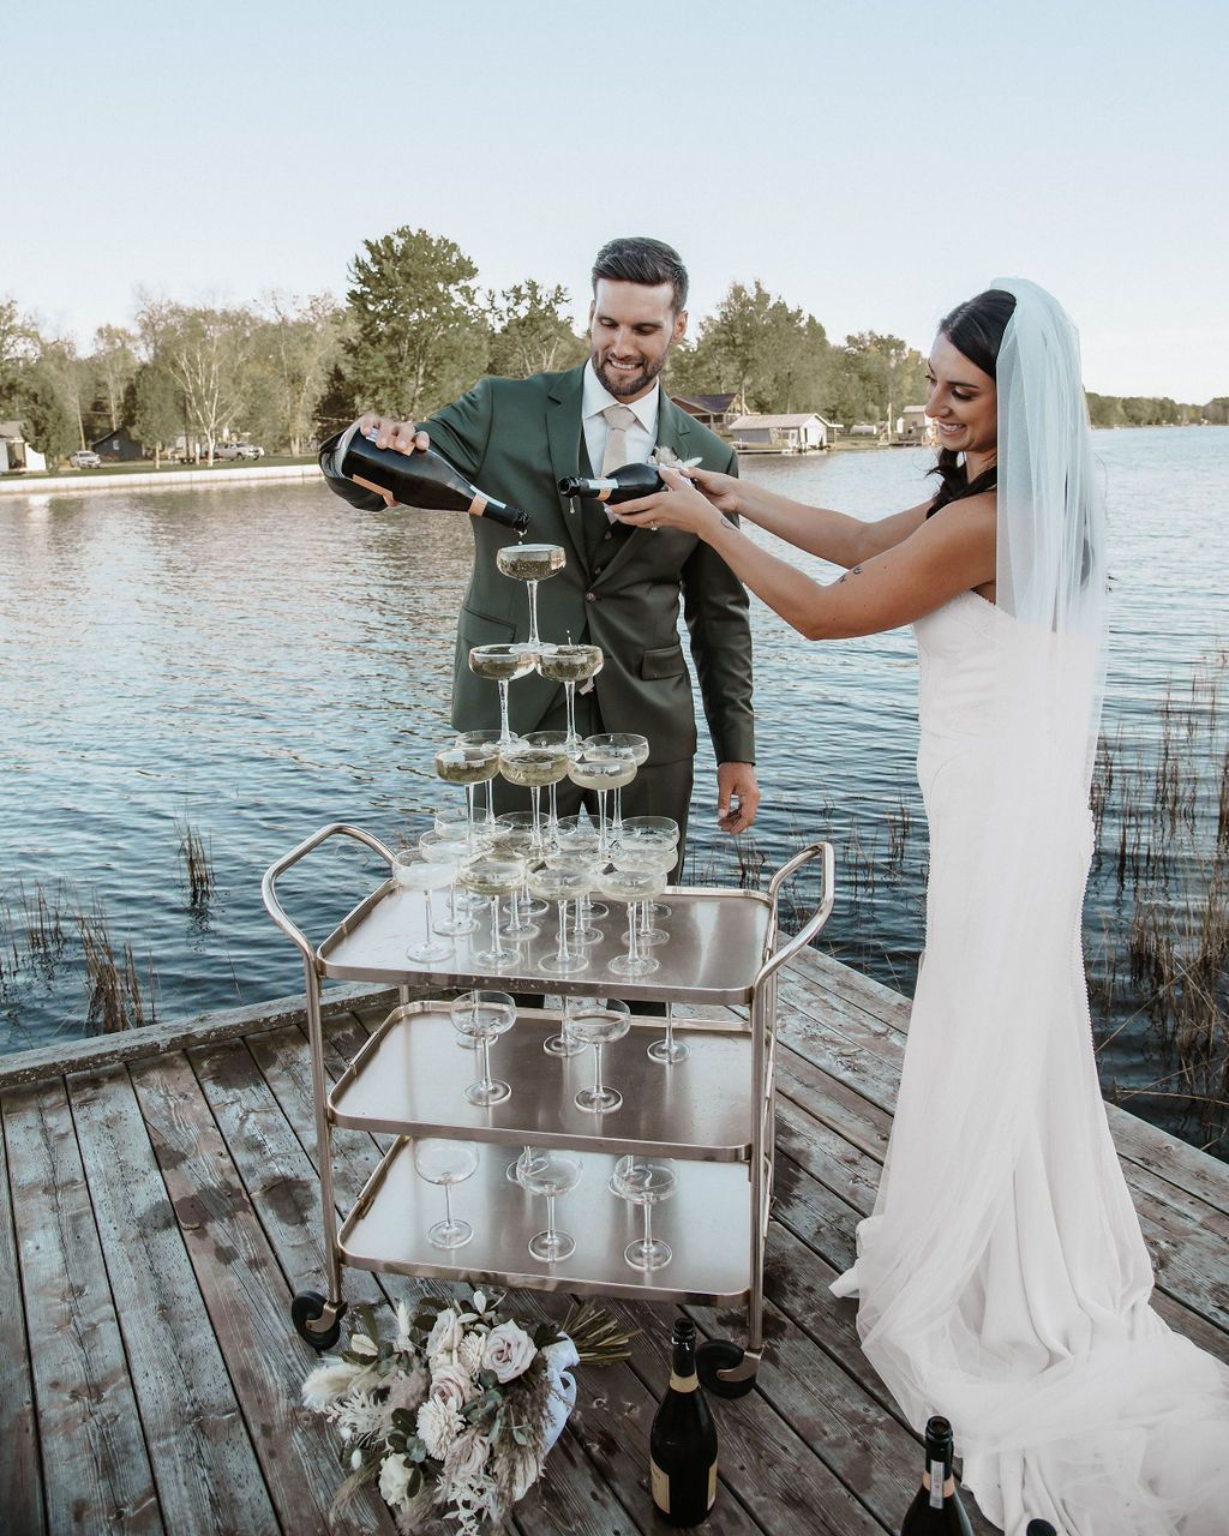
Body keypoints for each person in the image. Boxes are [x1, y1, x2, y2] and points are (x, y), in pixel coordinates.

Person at [614, 279, 1229, 1534]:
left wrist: (698, 526)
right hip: (997, 813)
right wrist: (735, 493)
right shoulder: (989, 492)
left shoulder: (996, 518)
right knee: (995, 1031)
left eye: (958, 390)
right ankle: (998, 1226)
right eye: (932, 380)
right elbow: (852, 545)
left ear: (1021, 401)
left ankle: (999, 1272)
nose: (932, 405)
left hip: (1005, 827)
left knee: (986, 1023)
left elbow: (830, 615)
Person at [320, 235, 759, 872]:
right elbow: (379, 484)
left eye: (643, 328)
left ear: (679, 326)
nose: (621, 346)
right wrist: (355, 447)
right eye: (607, 323)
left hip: (646, 738)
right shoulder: (500, 408)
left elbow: (720, 619)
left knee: (640, 923)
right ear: (590, 314)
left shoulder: (710, 458)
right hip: (510, 724)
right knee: (514, 917)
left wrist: (735, 752)